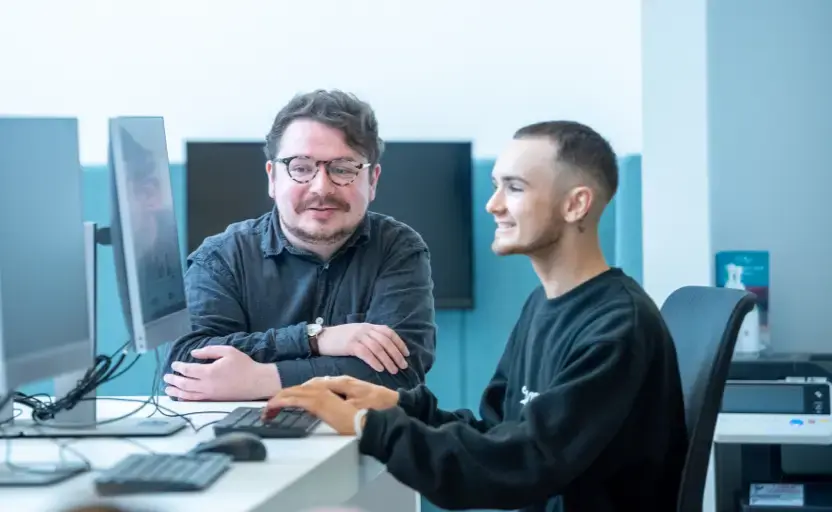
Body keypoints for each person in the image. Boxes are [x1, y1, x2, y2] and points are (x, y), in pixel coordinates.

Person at [263, 121, 690, 512]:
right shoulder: (544, 305)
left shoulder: (617, 327)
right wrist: (397, 405)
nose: (492, 204)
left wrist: (368, 426)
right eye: (495, 185)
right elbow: (498, 431)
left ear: (576, 204)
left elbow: (518, 467)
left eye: (514, 188)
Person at [163, 90, 437, 402]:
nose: (321, 187)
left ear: (372, 180)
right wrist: (315, 339)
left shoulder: (397, 249)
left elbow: (400, 374)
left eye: (343, 168)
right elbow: (187, 365)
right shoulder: (222, 258)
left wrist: (264, 379)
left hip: (367, 443)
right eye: (301, 167)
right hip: (248, 442)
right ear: (273, 178)